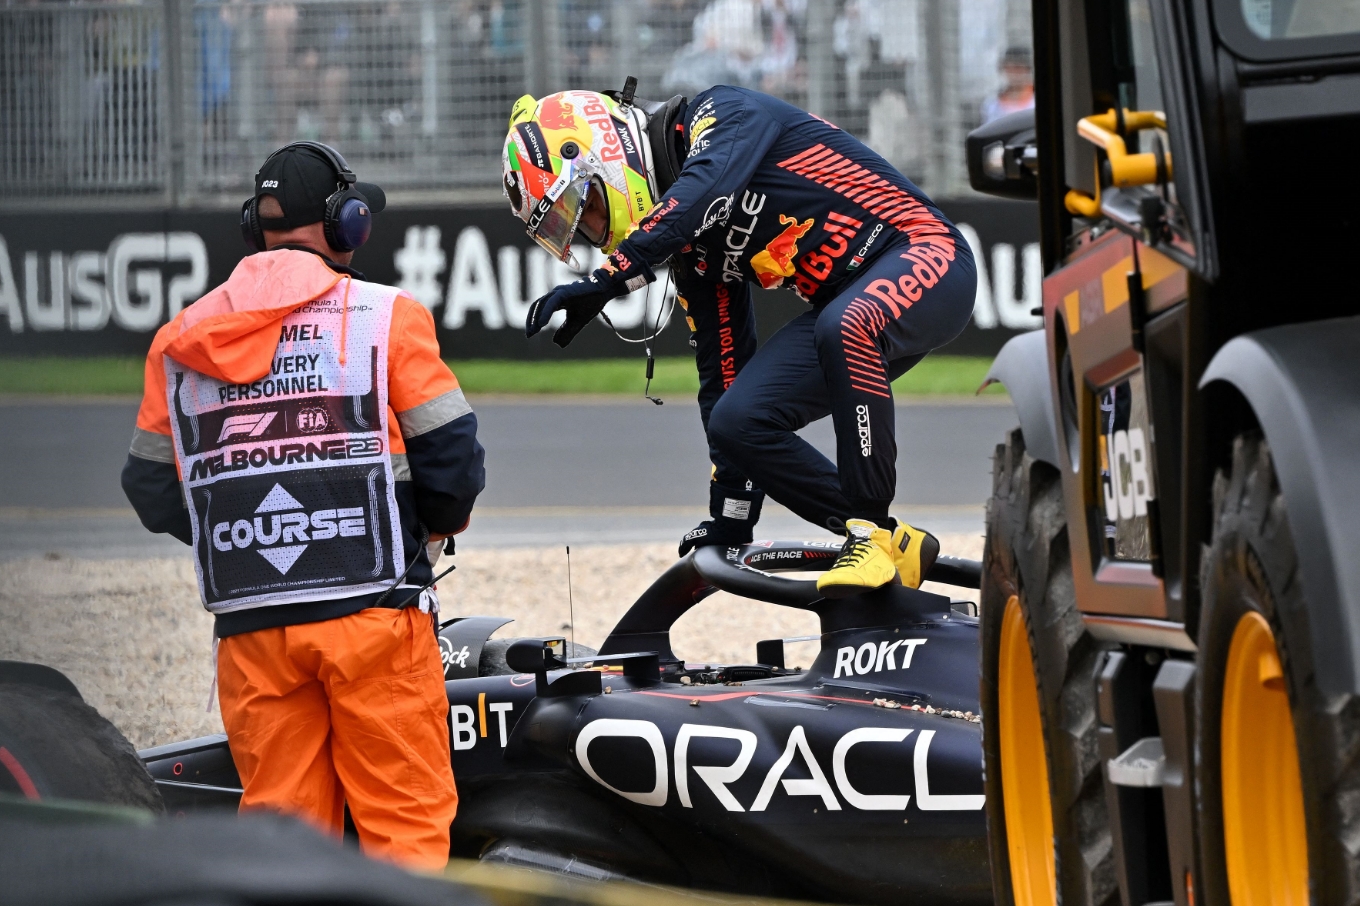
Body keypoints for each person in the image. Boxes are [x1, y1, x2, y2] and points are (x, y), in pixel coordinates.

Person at [123, 142, 483, 869]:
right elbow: (453, 461)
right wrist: (434, 535)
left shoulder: (179, 341)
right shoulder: (388, 317)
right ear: (346, 225)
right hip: (374, 615)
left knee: (281, 848)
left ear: (255, 230)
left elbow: (151, 486)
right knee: (403, 832)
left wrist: (242, 533)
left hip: (253, 632)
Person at [501, 85, 976, 597]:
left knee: (842, 324)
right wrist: (730, 515)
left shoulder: (721, 112)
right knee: (736, 418)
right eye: (581, 228)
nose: (595, 229)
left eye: (587, 207)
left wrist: (608, 279)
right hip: (852, 304)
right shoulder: (692, 247)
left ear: (600, 152)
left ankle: (868, 528)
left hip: (928, 252)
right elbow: (721, 368)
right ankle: (893, 543)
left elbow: (706, 192)